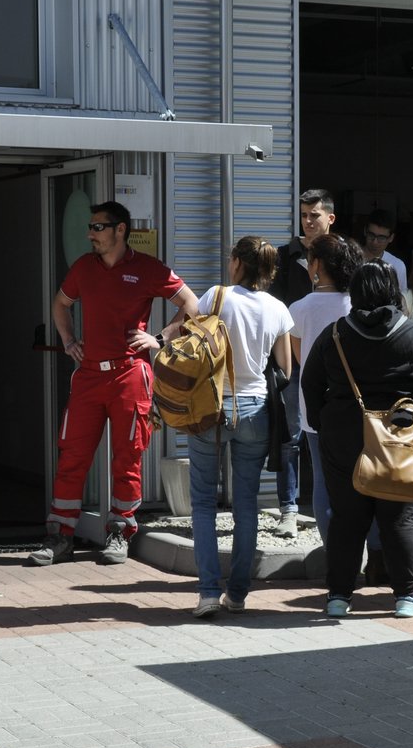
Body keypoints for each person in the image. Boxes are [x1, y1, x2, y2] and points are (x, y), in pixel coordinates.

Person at [32, 201, 197, 566]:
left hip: (129, 374)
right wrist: (69, 341)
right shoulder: (83, 268)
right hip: (89, 375)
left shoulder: (148, 268)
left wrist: (161, 337)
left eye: (98, 227)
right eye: (90, 227)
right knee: (73, 456)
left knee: (127, 457)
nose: (91, 234)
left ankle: (120, 533)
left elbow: (192, 305)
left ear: (120, 230)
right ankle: (60, 536)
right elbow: (60, 304)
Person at [153, 237, 292, 620]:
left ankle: (208, 593)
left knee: (202, 502)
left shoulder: (217, 296)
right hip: (256, 409)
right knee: (247, 503)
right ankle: (239, 594)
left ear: (236, 263)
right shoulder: (278, 308)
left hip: (210, 408)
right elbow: (287, 369)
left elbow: (190, 341)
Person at [302, 261, 413, 620]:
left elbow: (309, 383)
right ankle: (407, 597)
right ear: (391, 291)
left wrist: (328, 424)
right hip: (400, 440)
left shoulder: (335, 334)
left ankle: (338, 597)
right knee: (398, 517)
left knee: (347, 519)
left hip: (343, 439)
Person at [270, 188, 337, 536]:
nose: (308, 222)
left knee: (337, 435)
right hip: (295, 357)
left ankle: (335, 507)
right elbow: (276, 310)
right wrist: (285, 363)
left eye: (315, 215)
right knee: (291, 435)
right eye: (304, 215)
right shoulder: (285, 255)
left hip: (337, 361)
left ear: (330, 218)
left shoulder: (343, 255)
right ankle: (289, 509)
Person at [289, 233, 362, 542]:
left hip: (316, 405)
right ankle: (364, 550)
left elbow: (299, 358)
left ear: (317, 264)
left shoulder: (300, 308)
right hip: (358, 406)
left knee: (323, 481)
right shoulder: (358, 304)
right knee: (362, 478)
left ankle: (335, 553)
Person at [361, 209, 408, 289]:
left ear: (391, 238)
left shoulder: (397, 266)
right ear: (365, 231)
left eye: (381, 238)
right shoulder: (350, 259)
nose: (375, 242)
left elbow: (401, 298)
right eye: (371, 235)